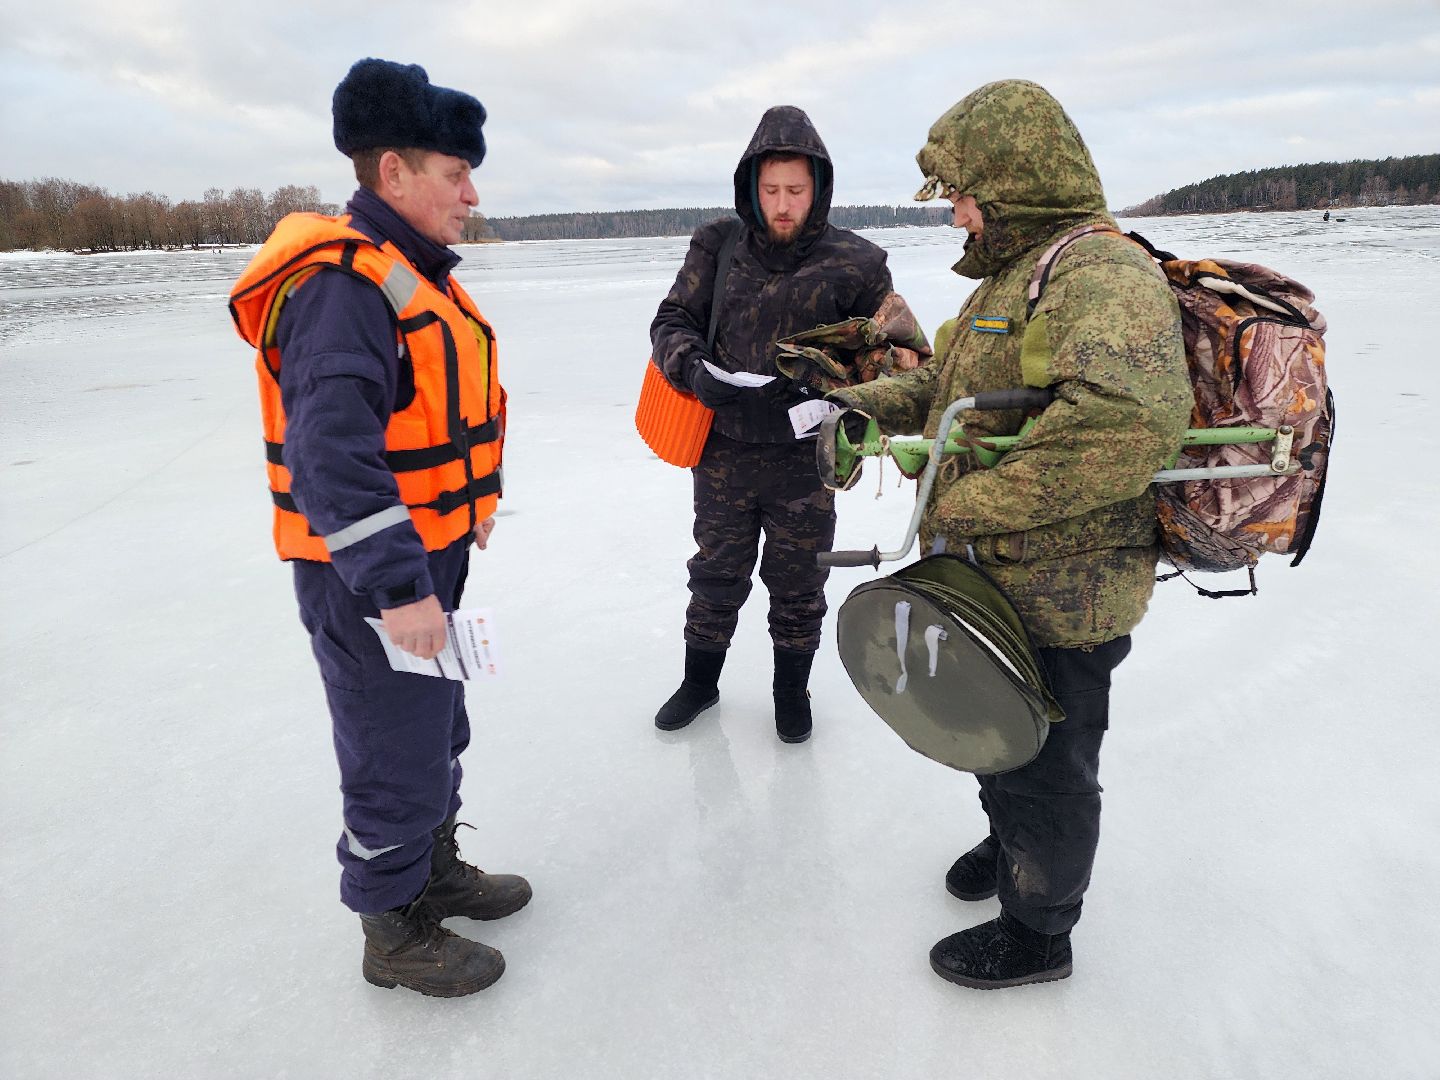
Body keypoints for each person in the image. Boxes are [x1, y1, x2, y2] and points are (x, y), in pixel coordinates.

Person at [831, 80, 1192, 988]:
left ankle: (1041, 932)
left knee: (1051, 761)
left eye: (962, 190)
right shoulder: (1010, 276)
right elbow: (951, 385)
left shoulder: (1098, 273)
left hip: (1069, 585)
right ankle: (1012, 846)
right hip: (997, 578)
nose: (954, 210)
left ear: (1015, 179)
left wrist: (966, 505)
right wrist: (858, 404)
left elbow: (1123, 425)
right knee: (999, 726)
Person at [228, 58, 529, 998]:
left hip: (422, 560)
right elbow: (333, 457)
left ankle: (429, 871)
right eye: (455, 173)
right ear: (392, 173)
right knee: (391, 744)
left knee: (437, 726)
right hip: (372, 577)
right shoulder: (344, 290)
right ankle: (391, 930)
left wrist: (458, 525)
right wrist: (399, 586)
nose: (472, 195)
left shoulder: (405, 275)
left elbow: (426, 421)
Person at [649, 106, 921, 744]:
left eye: (795, 191)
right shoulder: (716, 246)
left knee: (799, 581)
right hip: (722, 450)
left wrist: (838, 387)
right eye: (770, 190)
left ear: (819, 189)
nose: (782, 204)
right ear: (750, 187)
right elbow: (671, 322)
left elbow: (902, 356)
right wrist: (695, 374)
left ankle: (790, 691)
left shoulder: (858, 263)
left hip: (808, 459)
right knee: (716, 571)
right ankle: (700, 681)